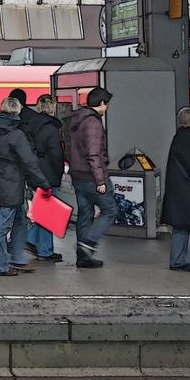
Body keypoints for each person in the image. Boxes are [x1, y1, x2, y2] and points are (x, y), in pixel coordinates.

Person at [0, 97, 51, 276]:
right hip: (11, 184)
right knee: (2, 227)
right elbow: (29, 162)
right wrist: (43, 183)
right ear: (17, 111)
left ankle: (16, 257)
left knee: (20, 218)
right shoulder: (16, 135)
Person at [68, 87, 116, 268]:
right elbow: (93, 153)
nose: (107, 108)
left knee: (85, 214)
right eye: (107, 105)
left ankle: (83, 258)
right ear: (102, 103)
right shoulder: (93, 123)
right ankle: (88, 243)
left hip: (78, 176)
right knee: (110, 210)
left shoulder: (76, 119)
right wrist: (100, 180)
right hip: (91, 176)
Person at [24, 94, 65, 262]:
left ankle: (31, 238)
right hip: (48, 174)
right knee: (48, 214)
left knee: (42, 210)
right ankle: (45, 250)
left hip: (34, 173)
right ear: (52, 108)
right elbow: (57, 155)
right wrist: (59, 173)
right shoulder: (51, 129)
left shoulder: (28, 126)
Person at [161, 107, 190, 272]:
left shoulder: (180, 137)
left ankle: (177, 261)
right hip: (189, 190)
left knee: (181, 225)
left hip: (180, 190)